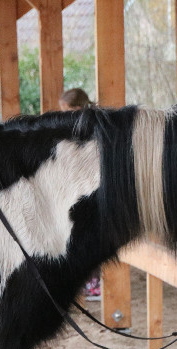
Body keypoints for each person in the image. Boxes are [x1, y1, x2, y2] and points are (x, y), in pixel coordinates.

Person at [59, 88, 100, 299]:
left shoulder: (90, 126)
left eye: (66, 110)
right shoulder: (78, 127)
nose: (64, 115)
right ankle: (88, 283)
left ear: (77, 108)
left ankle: (94, 285)